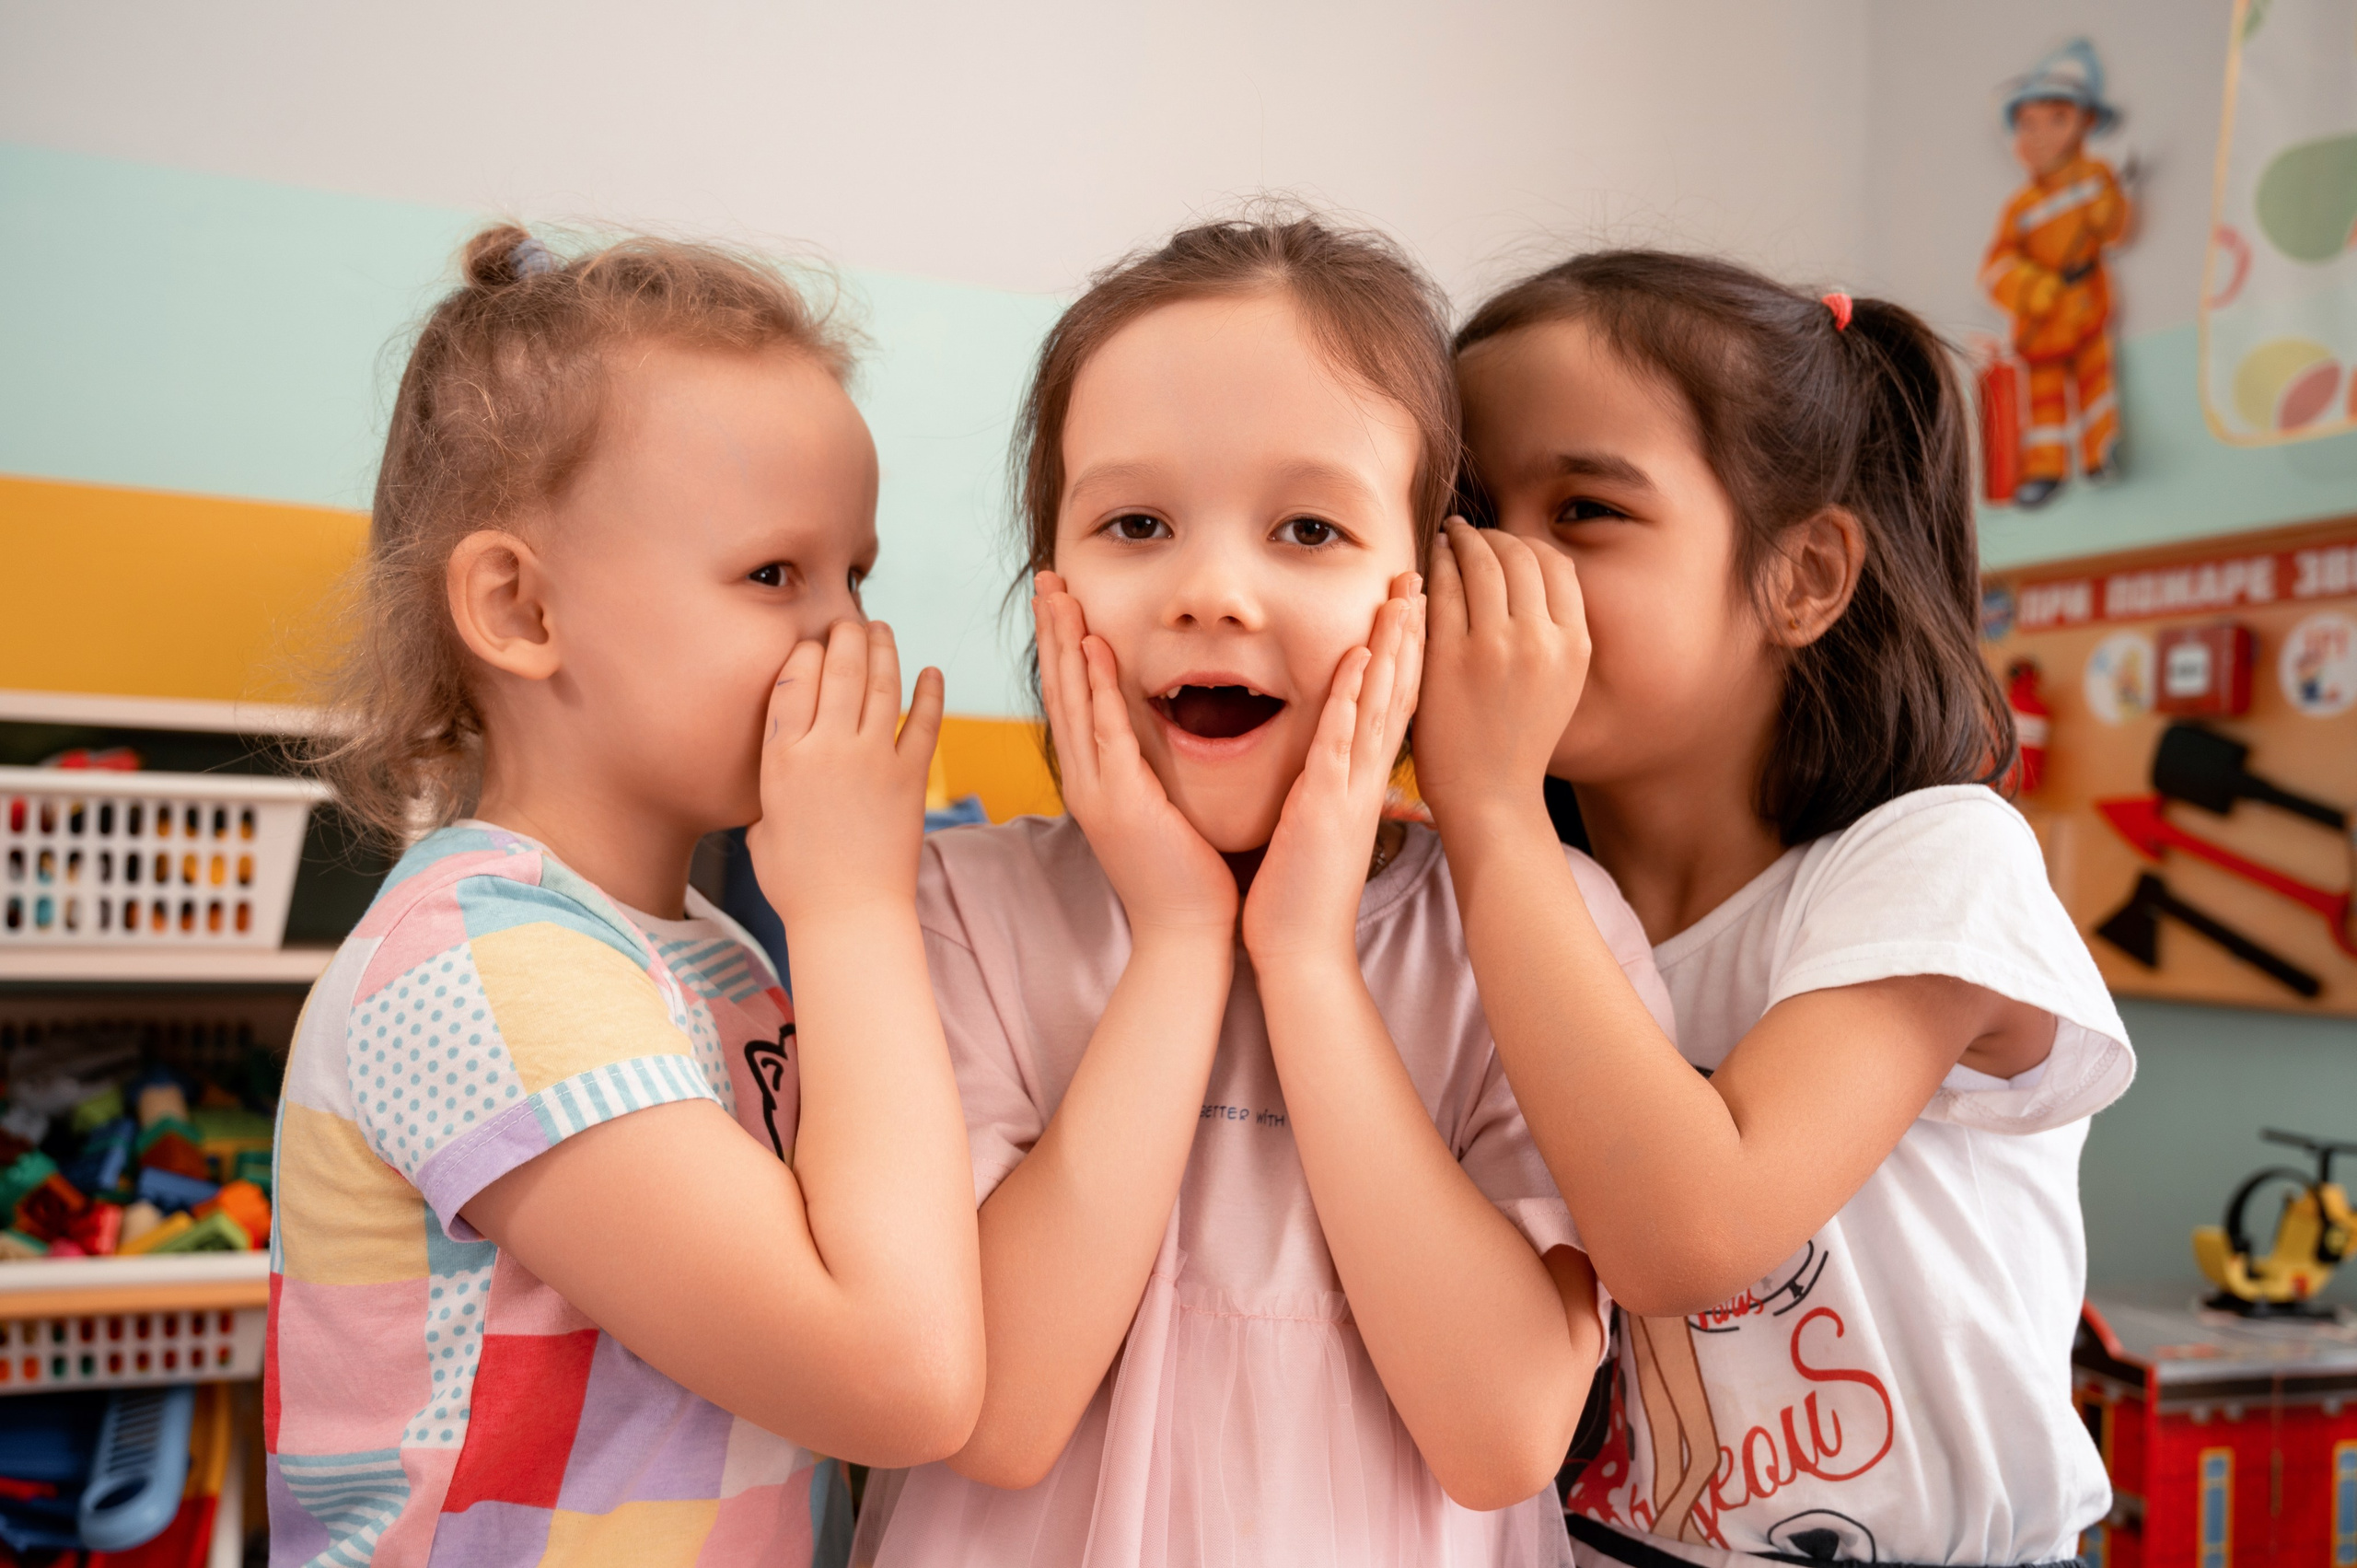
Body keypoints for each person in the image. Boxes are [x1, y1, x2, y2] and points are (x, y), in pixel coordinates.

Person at [853, 215, 1671, 1568]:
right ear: (1049, 580)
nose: (1213, 589)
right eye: (1135, 522)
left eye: (1309, 526)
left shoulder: (1534, 935)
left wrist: (1304, 958)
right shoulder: (947, 909)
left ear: (1426, 596)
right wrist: (1181, 941)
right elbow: (992, 1413)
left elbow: (1505, 1433)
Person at [267, 226, 984, 1566]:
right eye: (776, 573)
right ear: (519, 609)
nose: (849, 636)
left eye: (856, 574)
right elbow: (905, 1378)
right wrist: (854, 908)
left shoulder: (707, 955)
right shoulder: (476, 964)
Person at [1414, 251, 2134, 1568]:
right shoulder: (1513, 898)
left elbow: (1688, 1230)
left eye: (1582, 509)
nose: (1499, 568)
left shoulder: (1934, 860)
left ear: (1801, 575)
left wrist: (1492, 811)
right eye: (1463, 514)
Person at [1980, 38, 2131, 507]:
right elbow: (1996, 266)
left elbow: (2112, 228)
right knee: (2042, 400)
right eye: (2027, 124)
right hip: (2041, 318)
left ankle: (2101, 450)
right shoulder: (2019, 207)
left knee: (2095, 381)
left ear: (2085, 122)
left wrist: (2109, 208)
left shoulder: (2095, 178)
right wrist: (2031, 288)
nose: (2038, 135)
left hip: (2085, 305)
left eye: (2055, 119)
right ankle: (2045, 469)